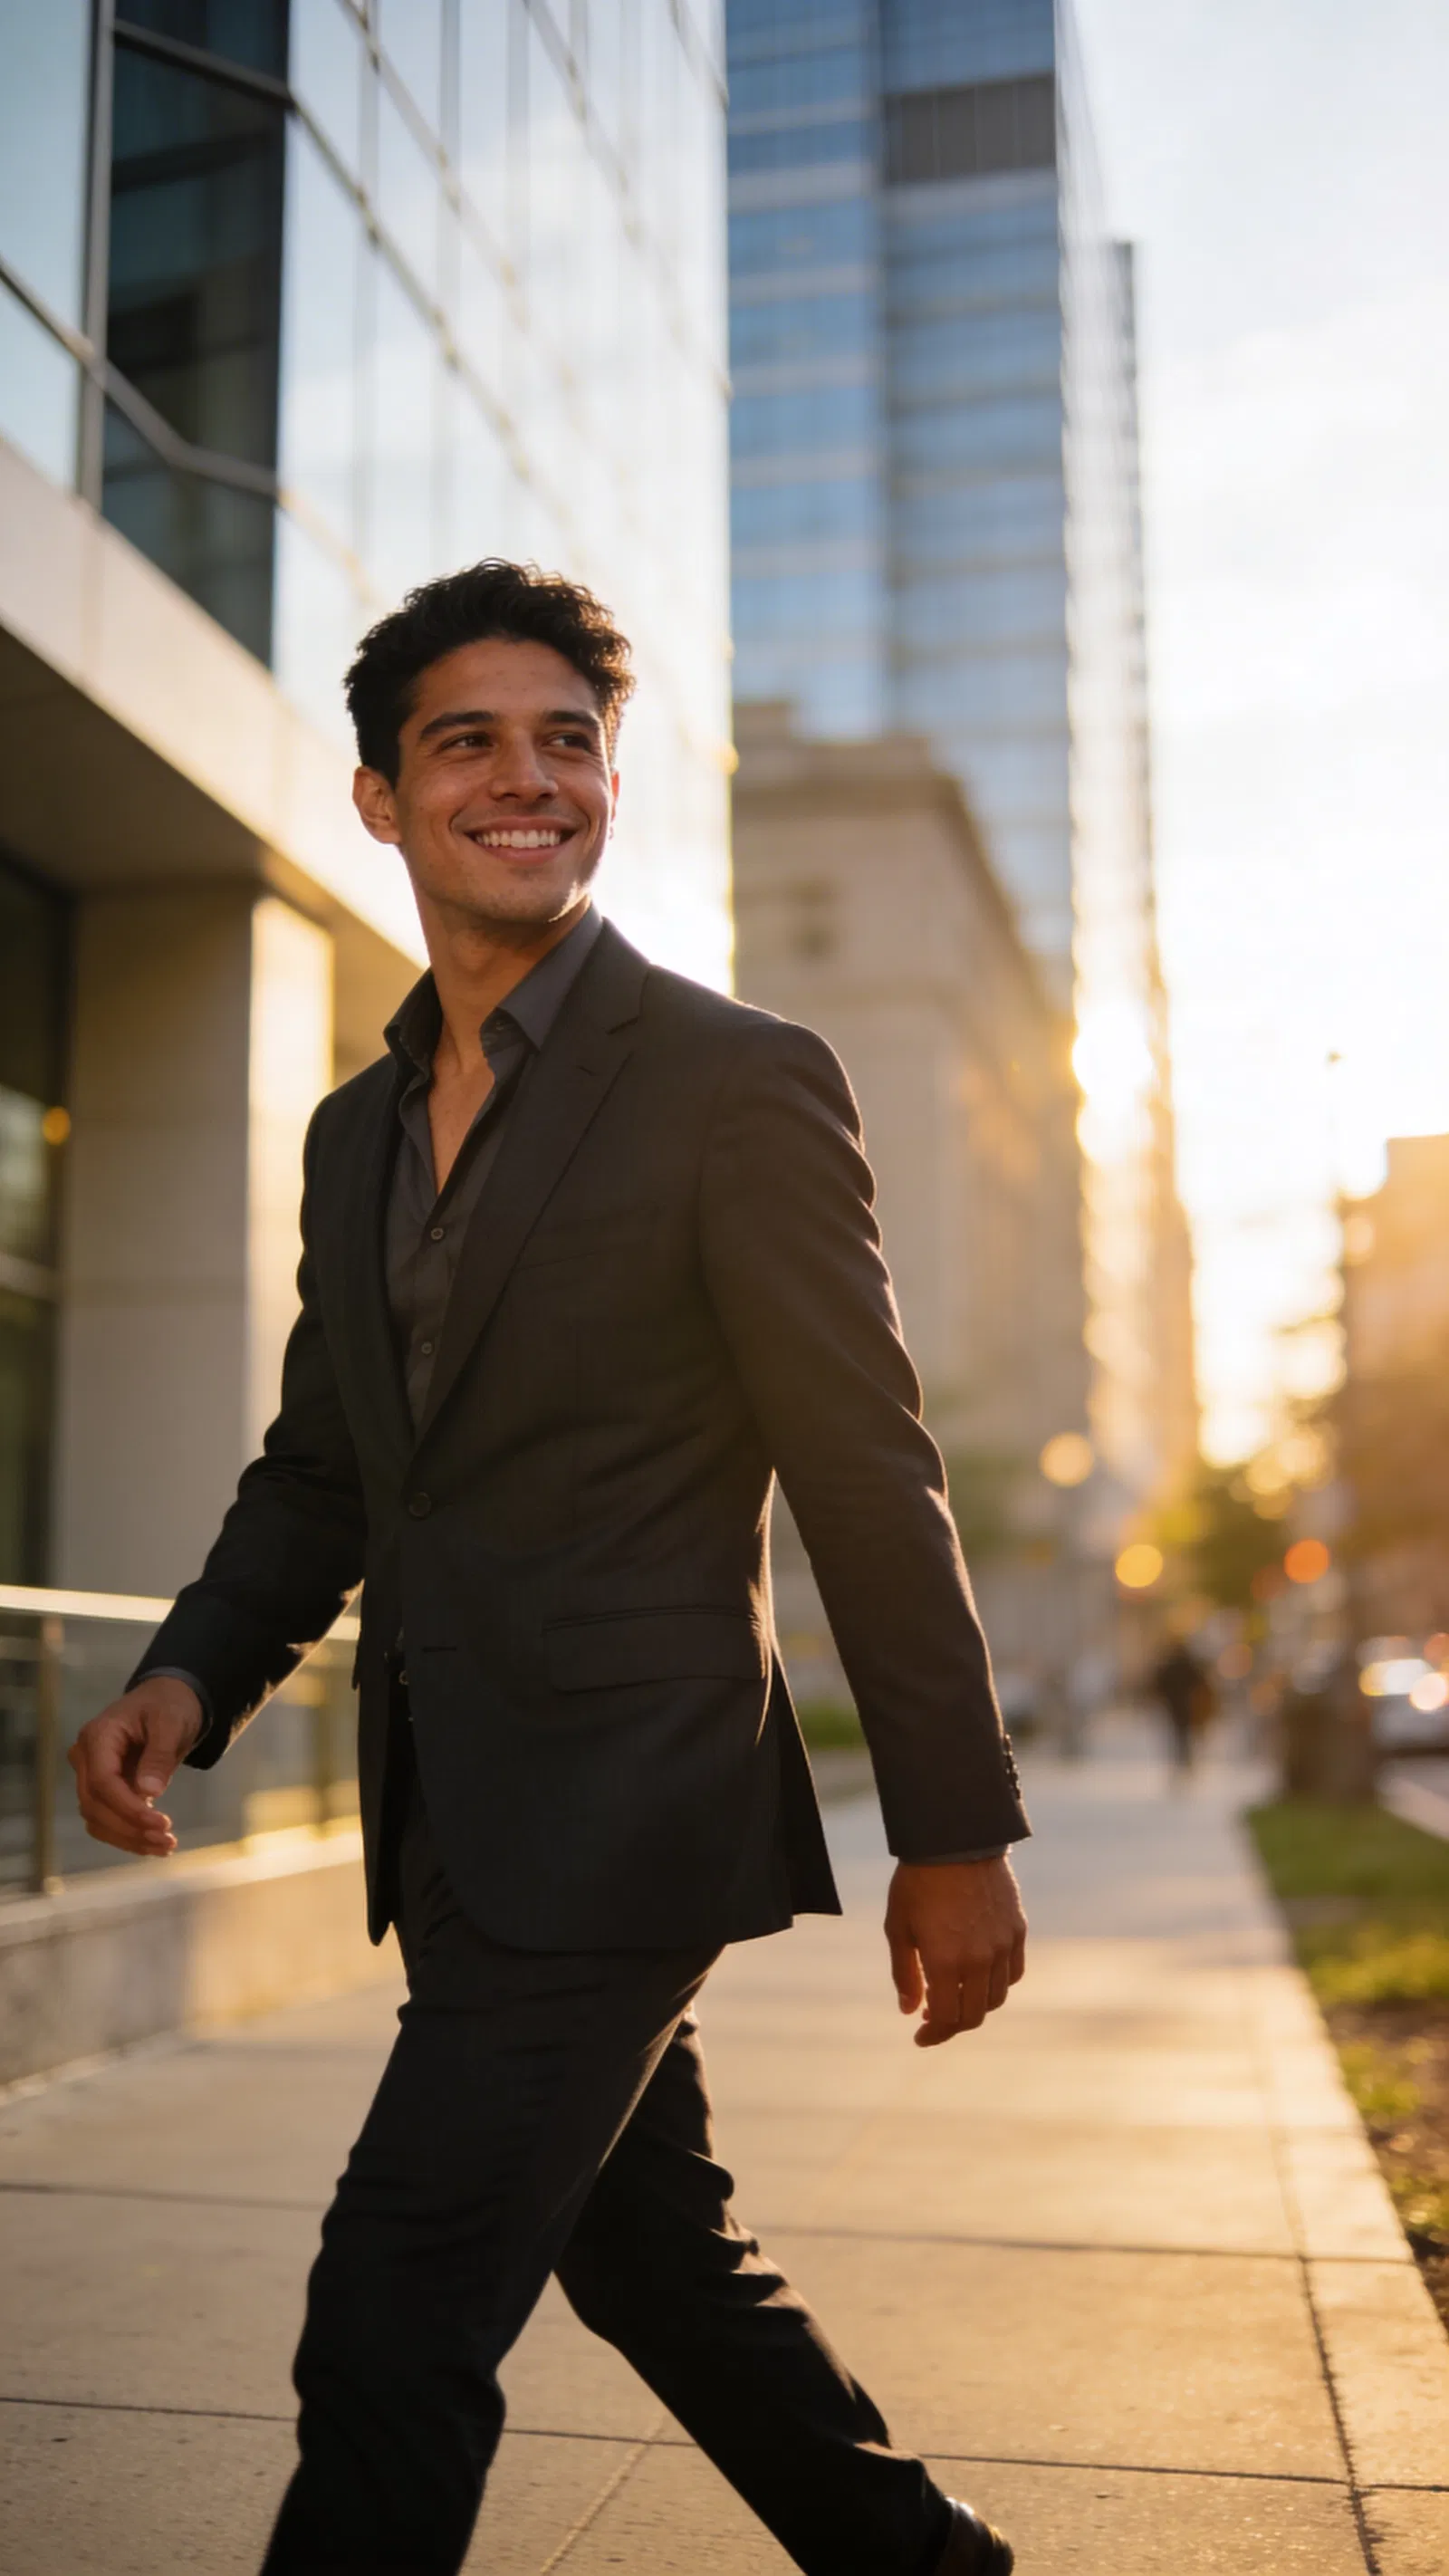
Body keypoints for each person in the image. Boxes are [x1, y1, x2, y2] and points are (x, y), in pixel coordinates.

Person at [68, 563, 1030, 2576]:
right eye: (467, 742)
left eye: (566, 738)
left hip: (630, 1802)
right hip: (451, 1813)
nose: (528, 779)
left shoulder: (732, 1078)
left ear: (610, 779)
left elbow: (865, 1469)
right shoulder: (353, 1134)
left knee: (393, 2312)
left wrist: (951, 1825)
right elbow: (327, 1467)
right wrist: (191, 1675)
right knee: (653, 2261)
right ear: (377, 795)